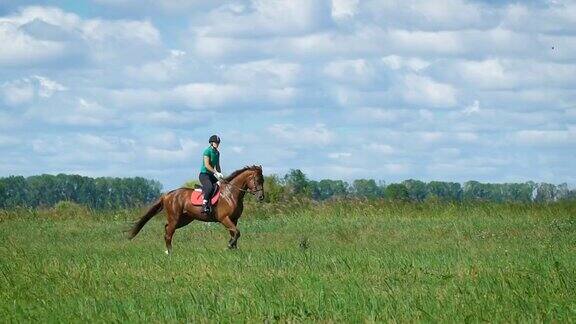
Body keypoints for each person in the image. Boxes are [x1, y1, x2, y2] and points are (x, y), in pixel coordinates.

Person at [199, 135, 224, 213]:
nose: (217, 144)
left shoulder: (217, 153)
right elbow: (207, 165)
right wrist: (216, 172)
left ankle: (215, 204)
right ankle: (204, 204)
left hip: (211, 175)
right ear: (211, 143)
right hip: (204, 175)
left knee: (221, 185)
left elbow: (217, 165)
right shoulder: (207, 151)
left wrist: (220, 174)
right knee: (210, 187)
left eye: (218, 143)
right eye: (215, 142)